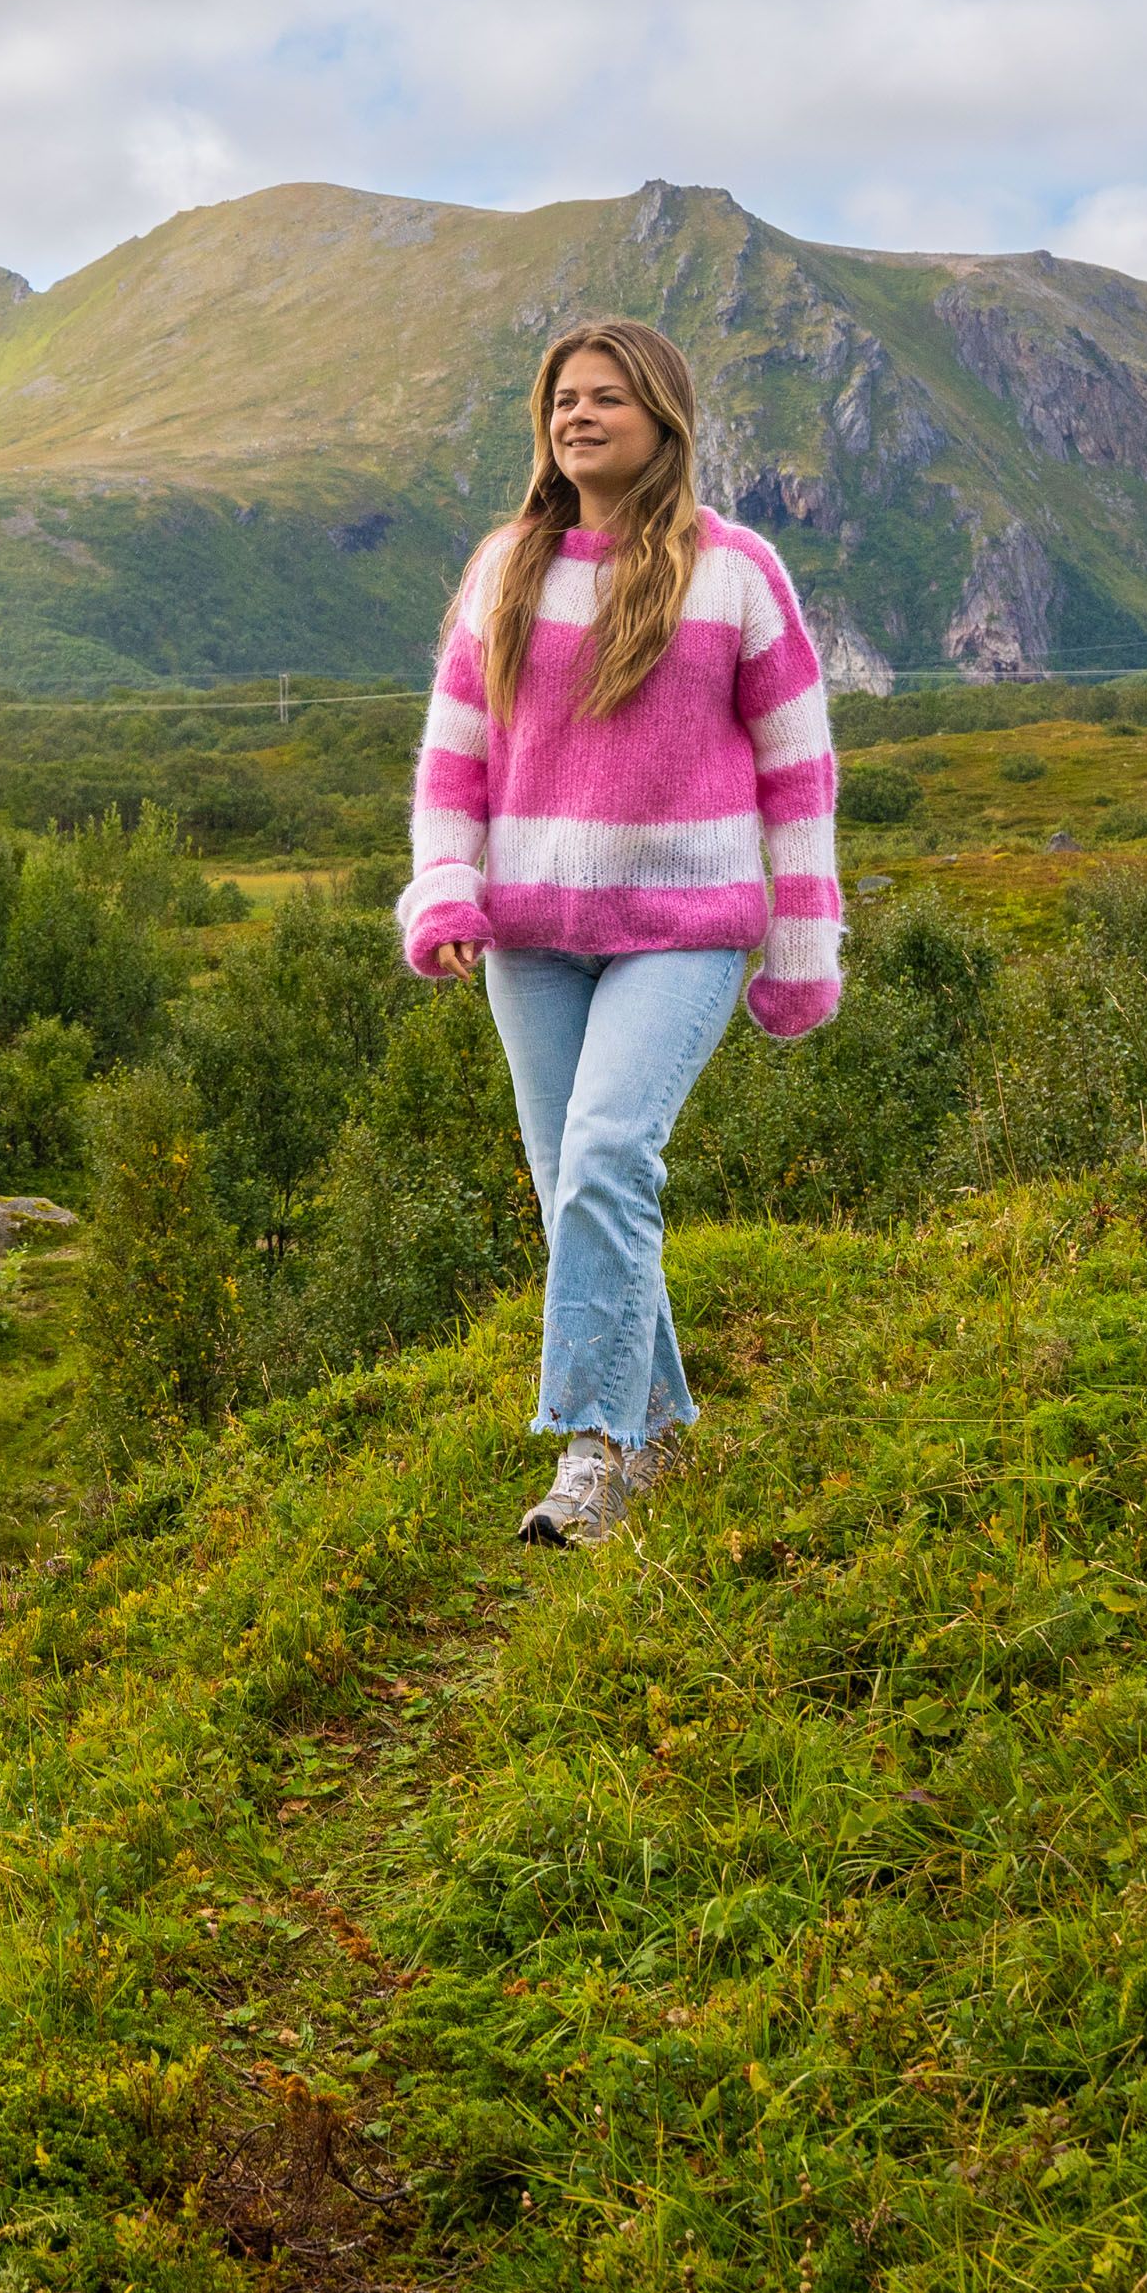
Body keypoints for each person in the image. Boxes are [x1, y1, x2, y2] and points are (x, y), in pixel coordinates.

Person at [400, 317, 846, 1549]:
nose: (576, 415)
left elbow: (798, 770)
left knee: (605, 1157)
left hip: (684, 929)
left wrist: (805, 942)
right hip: (531, 934)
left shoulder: (736, 571)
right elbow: (455, 760)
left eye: (604, 397)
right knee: (573, 1191)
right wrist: (444, 889)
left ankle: (594, 1455)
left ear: (662, 416)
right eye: (561, 398)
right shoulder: (505, 568)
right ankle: (657, 1428)